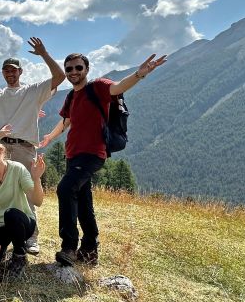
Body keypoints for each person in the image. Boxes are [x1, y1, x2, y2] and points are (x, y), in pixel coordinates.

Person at [43, 52, 166, 267]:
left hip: (92, 153)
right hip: (72, 154)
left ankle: (69, 247)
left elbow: (117, 87)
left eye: (78, 68)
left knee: (65, 189)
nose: (73, 72)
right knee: (83, 201)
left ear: (87, 69)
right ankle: (89, 250)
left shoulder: (97, 87)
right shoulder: (72, 96)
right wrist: (48, 138)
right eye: (69, 68)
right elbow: (66, 122)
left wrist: (139, 74)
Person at [0, 37, 65, 254]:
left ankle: (31, 237)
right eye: (6, 71)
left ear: (20, 72)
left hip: (24, 147)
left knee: (27, 190)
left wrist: (44, 53)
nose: (10, 74)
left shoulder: (33, 91)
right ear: (3, 73)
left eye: (13, 70)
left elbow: (60, 76)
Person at [0, 134, 47, 279]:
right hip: (0, 224)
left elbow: (37, 201)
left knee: (11, 214)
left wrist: (36, 178)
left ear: (0, 150)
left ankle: (19, 255)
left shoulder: (17, 169)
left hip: (23, 222)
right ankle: (5, 247)